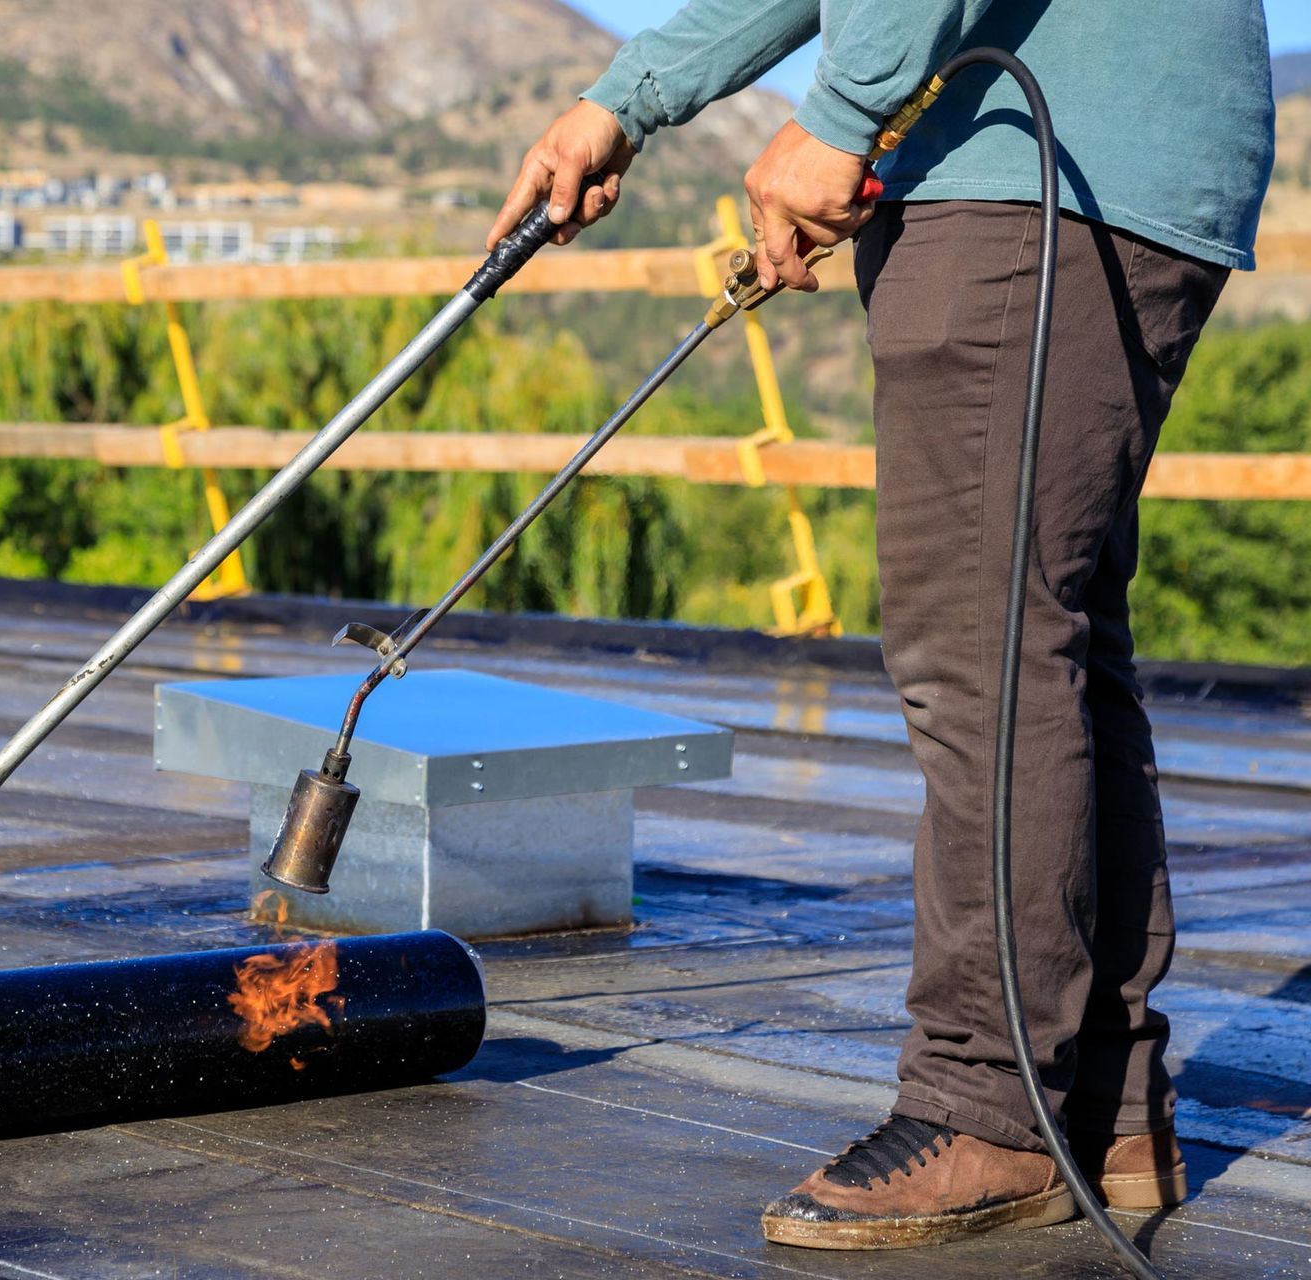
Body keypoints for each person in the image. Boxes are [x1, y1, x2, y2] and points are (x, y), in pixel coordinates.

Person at [489, 0, 1275, 1252]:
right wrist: (622, 102)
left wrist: (843, 112)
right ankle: (1105, 1103)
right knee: (1051, 636)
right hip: (1097, 164)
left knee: (981, 645)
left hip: (1032, 174)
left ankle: (988, 1106)